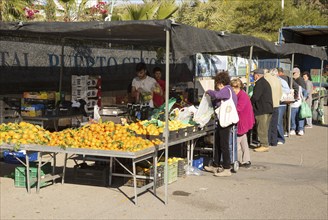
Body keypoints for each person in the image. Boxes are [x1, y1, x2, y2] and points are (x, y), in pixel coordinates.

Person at [204, 71, 237, 177]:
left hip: (226, 121)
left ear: (220, 83)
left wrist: (209, 91)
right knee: (217, 142)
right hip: (222, 120)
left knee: (224, 144)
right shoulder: (227, 90)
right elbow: (218, 102)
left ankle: (227, 168)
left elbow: (217, 95)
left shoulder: (227, 90)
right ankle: (215, 164)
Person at [230, 78, 254, 168]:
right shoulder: (239, 94)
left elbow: (238, 109)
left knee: (235, 143)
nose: (234, 90)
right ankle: (246, 160)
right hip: (244, 120)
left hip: (242, 121)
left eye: (235, 88)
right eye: (232, 88)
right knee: (244, 141)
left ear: (239, 87)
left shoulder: (242, 96)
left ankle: (233, 160)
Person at [250, 68, 273, 152]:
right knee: (264, 127)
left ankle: (264, 145)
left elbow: (255, 97)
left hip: (262, 109)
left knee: (261, 128)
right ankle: (263, 143)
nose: (253, 76)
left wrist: (249, 102)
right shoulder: (264, 82)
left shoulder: (260, 83)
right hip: (268, 108)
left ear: (257, 75)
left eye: (254, 74)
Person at [265, 69, 282, 147]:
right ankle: (274, 141)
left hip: (268, 105)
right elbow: (281, 93)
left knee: (267, 124)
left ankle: (267, 141)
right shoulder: (277, 80)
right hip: (276, 104)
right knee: (274, 124)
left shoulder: (266, 79)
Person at [275, 68, 291, 145]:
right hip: (275, 103)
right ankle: (276, 137)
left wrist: (279, 90)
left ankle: (281, 138)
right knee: (276, 121)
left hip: (281, 103)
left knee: (278, 121)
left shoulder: (282, 81)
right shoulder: (273, 81)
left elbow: (288, 90)